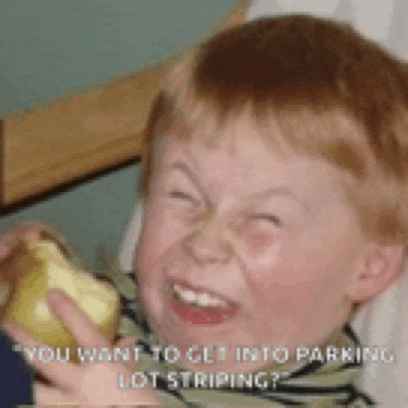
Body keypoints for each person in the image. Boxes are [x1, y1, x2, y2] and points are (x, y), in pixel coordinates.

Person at [2, 13, 408, 406]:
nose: (204, 245)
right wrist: (15, 289)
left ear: (368, 269)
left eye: (264, 219)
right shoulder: (110, 316)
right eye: (184, 197)